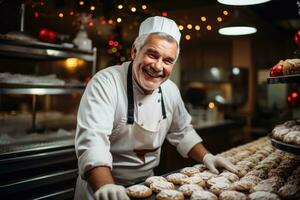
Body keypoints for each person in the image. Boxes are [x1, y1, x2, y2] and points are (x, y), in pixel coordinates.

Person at [74, 16, 237, 200]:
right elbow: (92, 142)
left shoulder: (170, 91)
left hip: (146, 187)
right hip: (101, 190)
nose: (158, 66)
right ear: (135, 51)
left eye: (167, 60)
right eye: (152, 55)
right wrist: (106, 186)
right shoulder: (106, 83)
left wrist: (208, 157)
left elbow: (182, 132)